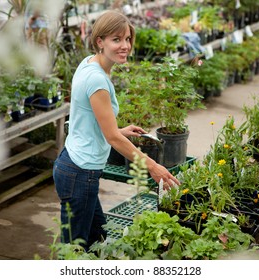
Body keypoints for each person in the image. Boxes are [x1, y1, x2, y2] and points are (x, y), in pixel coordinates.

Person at [52, 10, 180, 250]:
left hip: (73, 164)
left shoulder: (88, 63)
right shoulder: (97, 80)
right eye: (116, 39)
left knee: (98, 239)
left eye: (128, 39)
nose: (125, 46)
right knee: (74, 250)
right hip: (81, 172)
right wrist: (153, 167)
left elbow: (89, 120)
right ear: (100, 41)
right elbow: (111, 138)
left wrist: (119, 129)